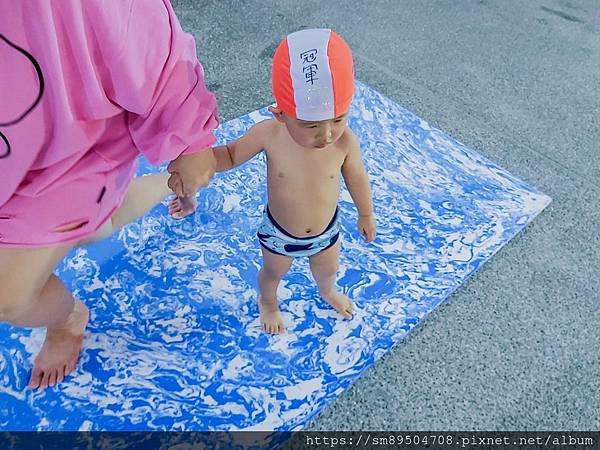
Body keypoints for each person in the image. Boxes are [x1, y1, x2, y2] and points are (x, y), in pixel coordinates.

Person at [0, 0, 219, 389]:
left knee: (13, 291)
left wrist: (190, 135)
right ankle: (157, 191)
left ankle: (67, 319)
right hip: (18, 140)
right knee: (91, 228)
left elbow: (137, 19)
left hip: (65, 141)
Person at [171, 28, 377, 334]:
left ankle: (327, 291)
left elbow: (356, 176)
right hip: (280, 235)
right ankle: (268, 302)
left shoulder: (345, 142)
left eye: (337, 119)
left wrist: (365, 213)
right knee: (273, 272)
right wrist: (197, 161)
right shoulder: (270, 134)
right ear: (280, 113)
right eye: (311, 125)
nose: (327, 134)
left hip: (326, 233)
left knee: (328, 270)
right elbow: (229, 154)